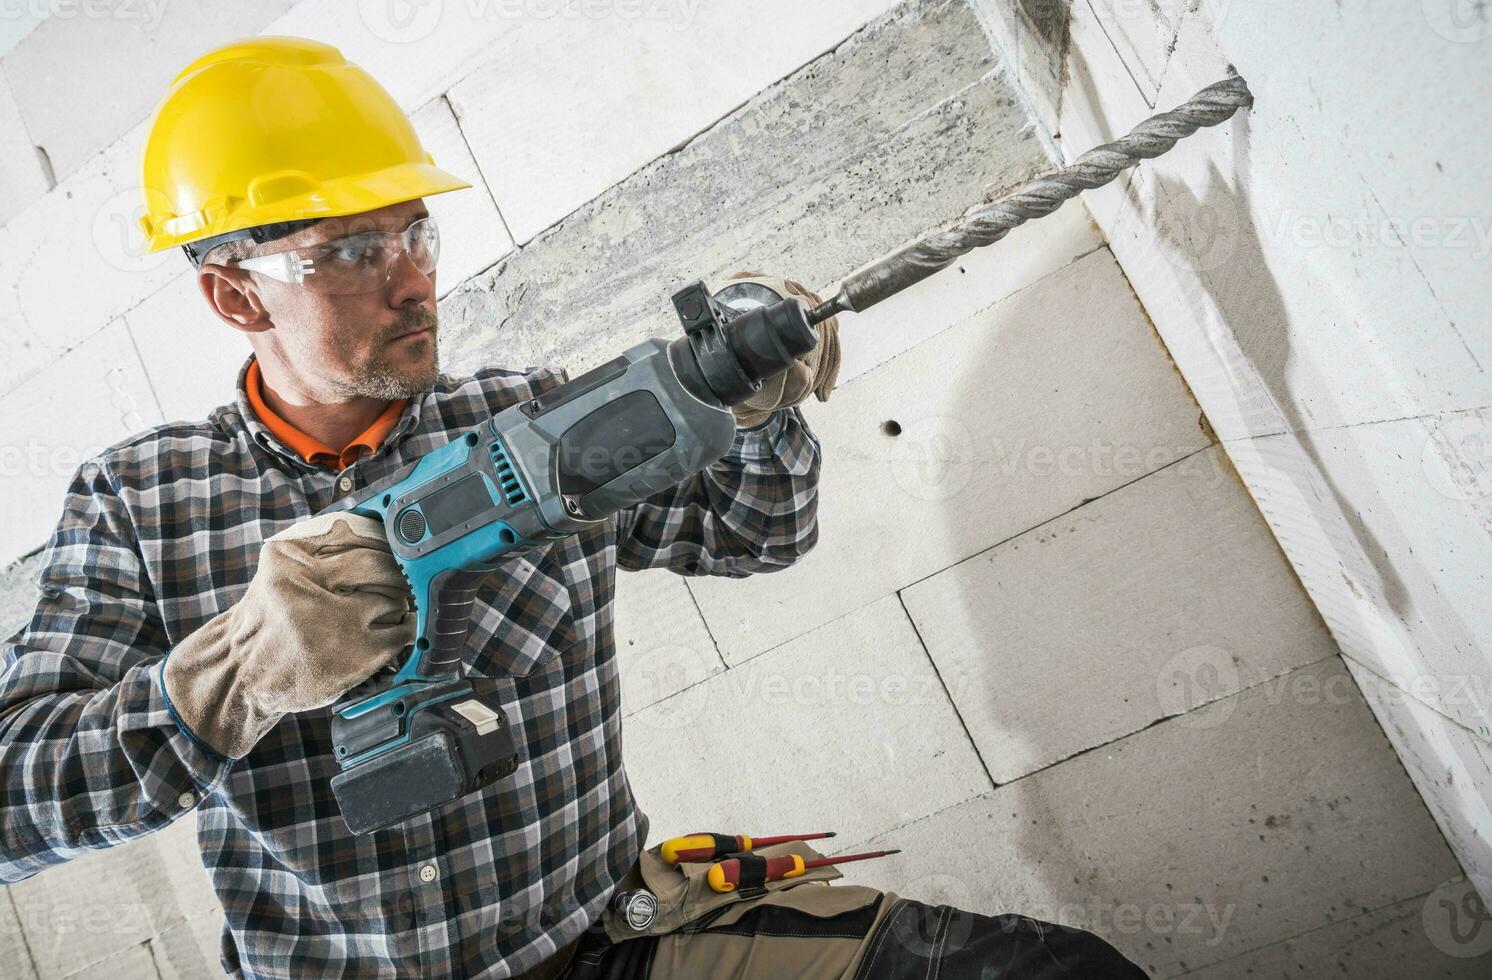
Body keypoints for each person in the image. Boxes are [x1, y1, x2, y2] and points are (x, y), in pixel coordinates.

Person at [0, 36, 1146, 979]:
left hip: (613, 939)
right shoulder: (140, 500)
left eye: (415, 232)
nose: (412, 277)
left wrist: (758, 413)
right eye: (351, 249)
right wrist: (231, 677)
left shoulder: (528, 423)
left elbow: (760, 531)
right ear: (232, 291)